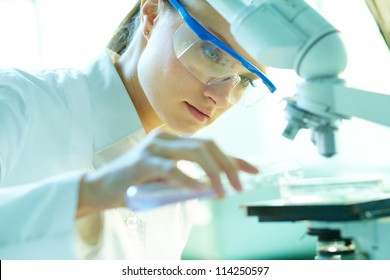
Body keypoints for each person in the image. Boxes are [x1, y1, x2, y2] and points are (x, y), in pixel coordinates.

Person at [0, 0, 276, 259]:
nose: (224, 97)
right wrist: (94, 192)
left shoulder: (177, 188)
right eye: (212, 54)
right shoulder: (15, 100)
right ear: (152, 15)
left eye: (247, 81)